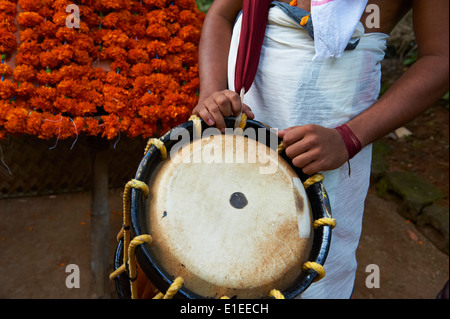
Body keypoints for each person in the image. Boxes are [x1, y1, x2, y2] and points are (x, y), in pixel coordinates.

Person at [192, 0, 449, 299]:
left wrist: (349, 138)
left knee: (314, 272)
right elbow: (222, 13)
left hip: (331, 158)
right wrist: (211, 92)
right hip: (238, 143)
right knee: (220, 254)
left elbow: (440, 58)